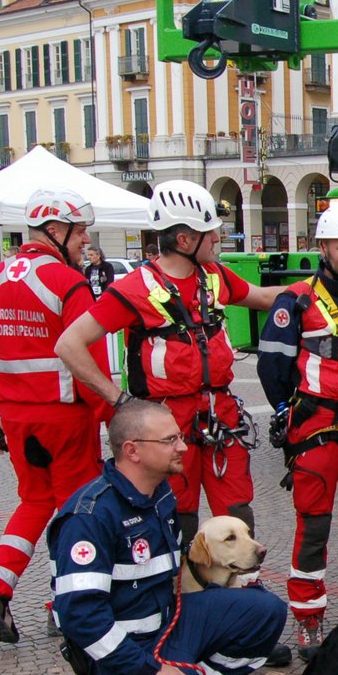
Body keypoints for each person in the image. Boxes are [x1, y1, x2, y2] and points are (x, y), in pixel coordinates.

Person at [50, 399, 287, 675]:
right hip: (124, 653)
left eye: (179, 436)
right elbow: (80, 617)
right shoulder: (90, 518)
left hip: (168, 626)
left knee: (265, 611)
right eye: (170, 439)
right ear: (133, 451)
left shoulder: (160, 496)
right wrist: (149, 673)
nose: (182, 446)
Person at [56, 180, 281, 548]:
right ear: (184, 241)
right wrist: (120, 401)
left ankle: (240, 590)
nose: (218, 240)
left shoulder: (214, 276)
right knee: (177, 513)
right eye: (211, 233)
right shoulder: (134, 289)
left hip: (219, 415)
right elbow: (69, 344)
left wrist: (316, 288)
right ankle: (179, 592)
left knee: (238, 509)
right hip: (167, 420)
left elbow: (261, 297)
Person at [0, 188, 110, 644]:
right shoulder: (67, 283)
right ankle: (63, 605)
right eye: (80, 230)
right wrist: (112, 412)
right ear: (55, 230)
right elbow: (88, 359)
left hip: (15, 415)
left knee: (33, 502)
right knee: (76, 513)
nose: (85, 239)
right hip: (64, 417)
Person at [257, 202, 338, 658]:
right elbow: (272, 368)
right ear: (323, 248)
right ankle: (309, 619)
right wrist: (285, 410)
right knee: (313, 527)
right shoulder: (294, 301)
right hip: (316, 425)